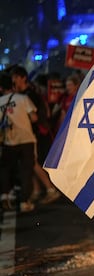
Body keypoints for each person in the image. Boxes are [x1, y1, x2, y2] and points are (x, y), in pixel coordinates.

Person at [10, 65, 61, 205]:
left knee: (33, 163)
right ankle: (37, 191)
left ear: (23, 78)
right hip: (27, 134)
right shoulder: (22, 95)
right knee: (28, 164)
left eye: (15, 77)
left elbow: (35, 116)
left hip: (35, 133)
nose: (13, 80)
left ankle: (51, 189)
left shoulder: (30, 94)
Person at [0, 73, 38, 212]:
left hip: (9, 141)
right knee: (26, 170)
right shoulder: (22, 98)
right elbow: (34, 117)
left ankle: (4, 196)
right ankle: (24, 201)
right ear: (12, 85)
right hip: (26, 139)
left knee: (5, 169)